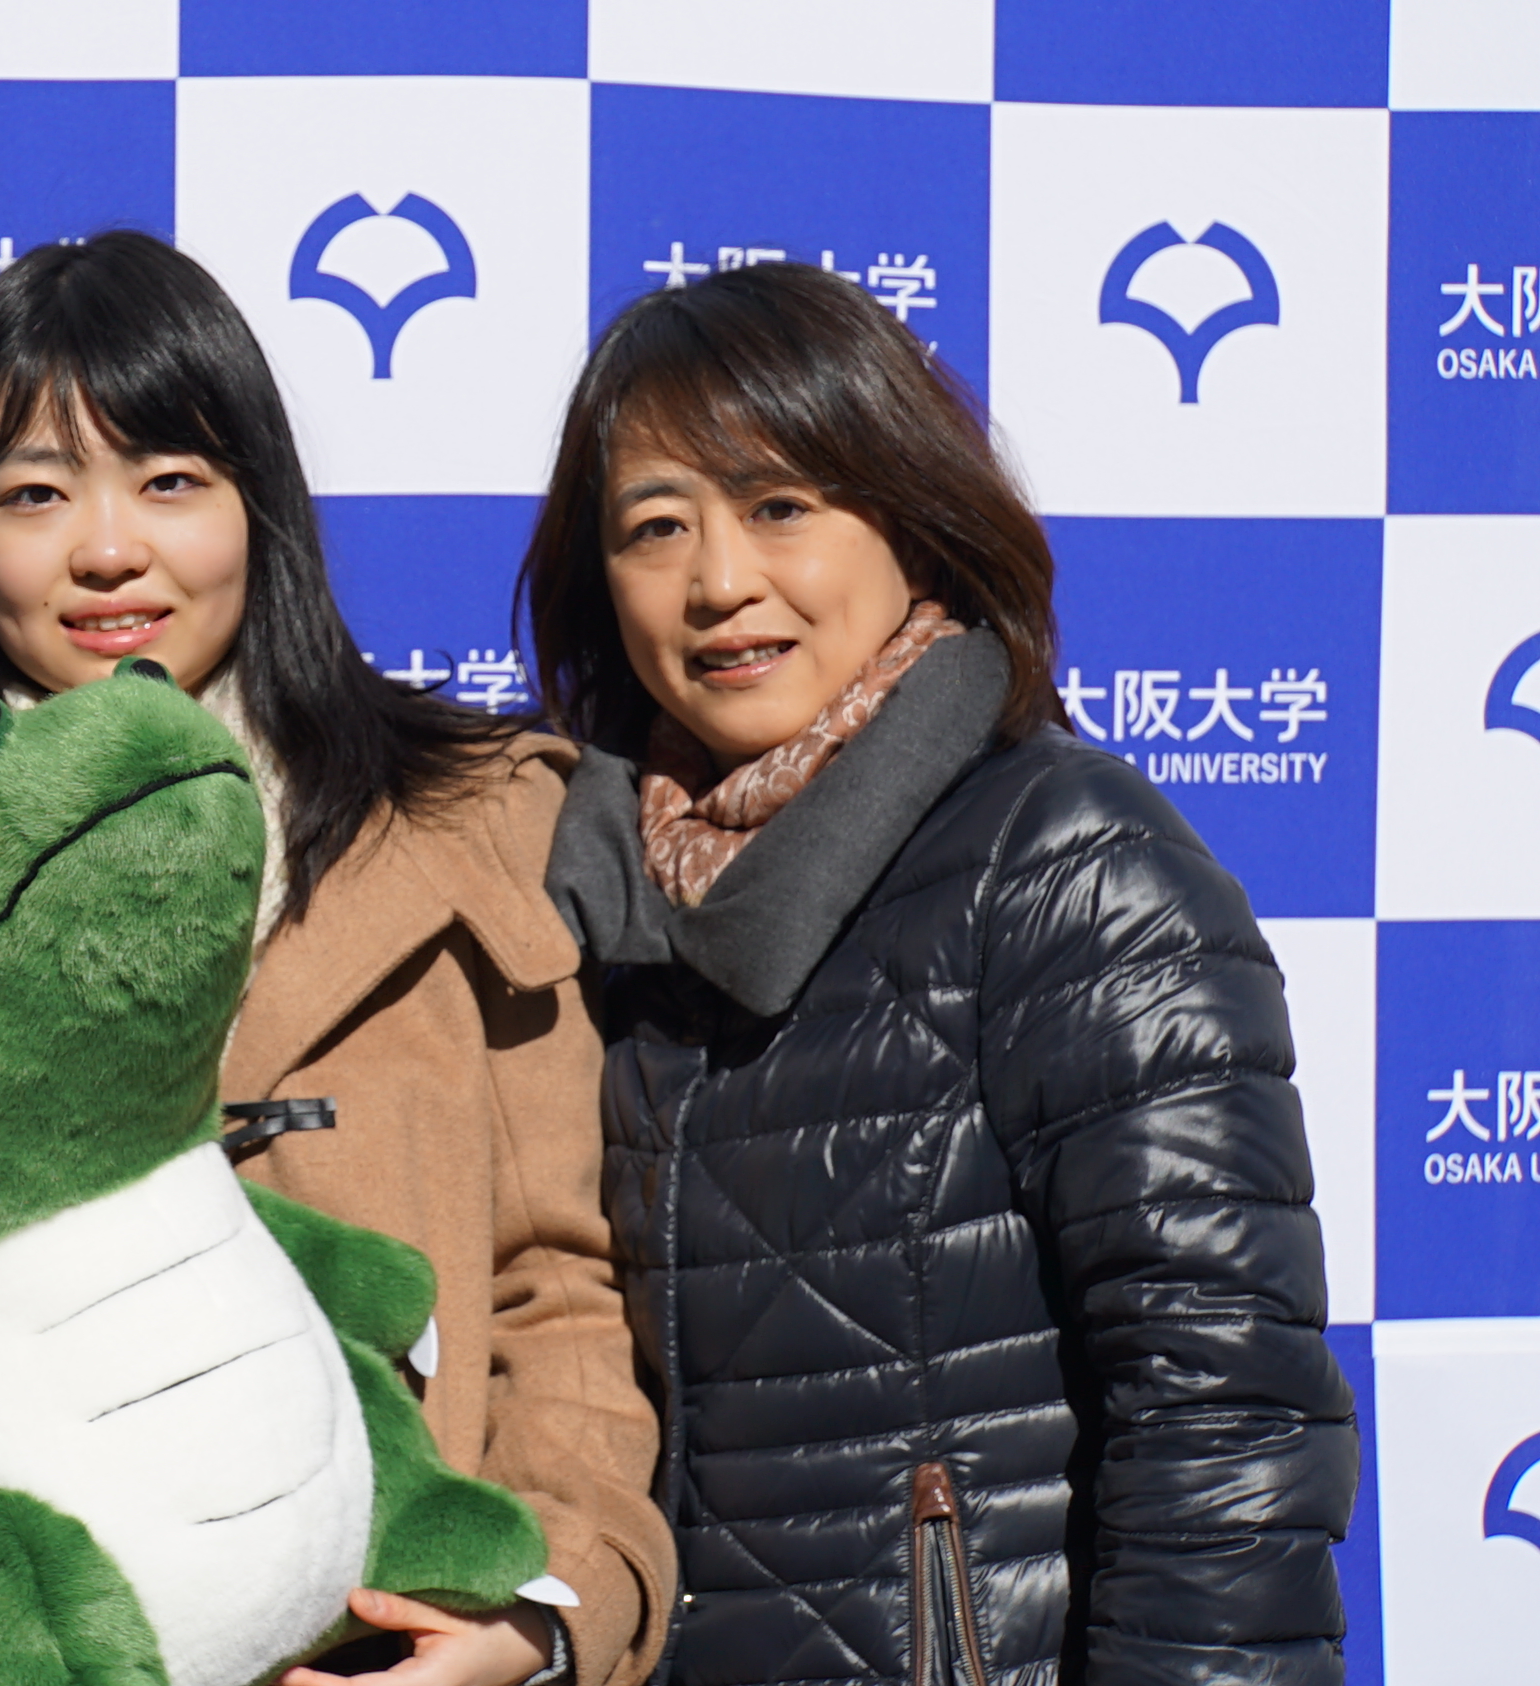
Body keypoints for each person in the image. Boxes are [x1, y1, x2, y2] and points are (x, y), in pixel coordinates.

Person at [0, 231, 676, 1686]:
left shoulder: (475, 827)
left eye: (169, 481)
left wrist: (536, 1618)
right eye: (35, 493)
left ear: (257, 507)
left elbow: (561, 1296)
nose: (107, 549)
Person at [526, 260, 1357, 1686]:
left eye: (781, 505)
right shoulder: (598, 895)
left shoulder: (1064, 859)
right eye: (657, 526)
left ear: (910, 519)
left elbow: (1228, 1412)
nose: (720, 582)